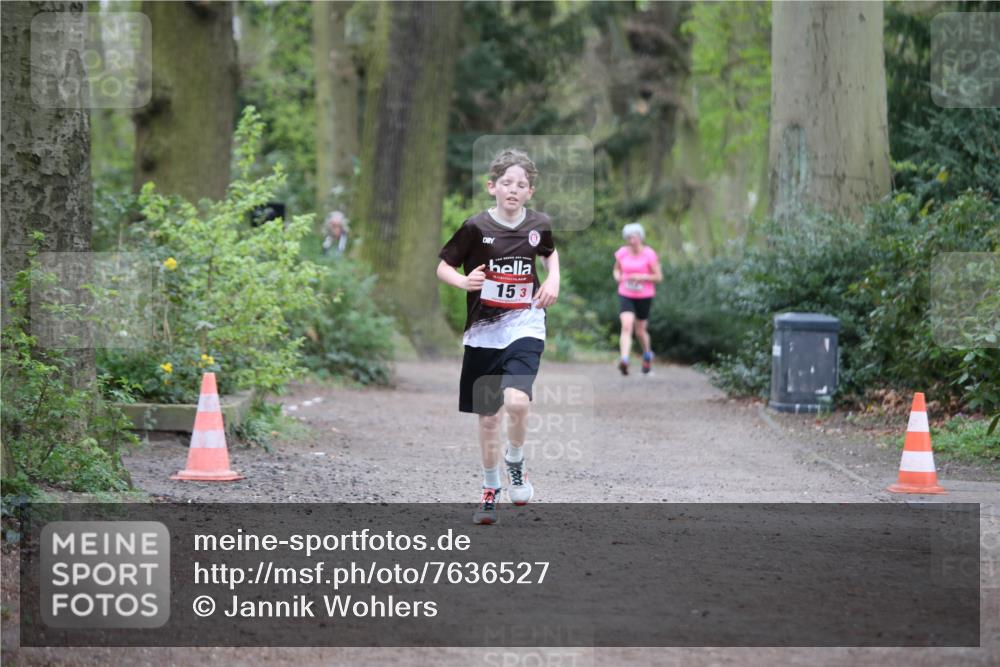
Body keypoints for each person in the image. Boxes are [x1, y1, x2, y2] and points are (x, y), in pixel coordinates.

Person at [437, 149, 560, 525]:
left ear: (529, 192)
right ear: (492, 187)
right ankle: (490, 488)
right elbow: (444, 266)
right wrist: (462, 281)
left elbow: (549, 254)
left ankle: (516, 462)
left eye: (521, 185)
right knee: (489, 419)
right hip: (483, 333)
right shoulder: (475, 227)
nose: (513, 189)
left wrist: (553, 279)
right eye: (507, 183)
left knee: (518, 402)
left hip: (525, 323)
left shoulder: (538, 224)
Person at [613, 222, 662, 375]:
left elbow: (658, 277)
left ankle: (647, 354)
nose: (631, 240)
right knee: (626, 325)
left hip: (644, 295)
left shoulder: (649, 254)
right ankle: (624, 359)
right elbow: (616, 269)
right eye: (628, 238)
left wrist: (642, 277)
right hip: (626, 293)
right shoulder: (622, 253)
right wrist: (618, 277)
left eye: (634, 237)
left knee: (640, 331)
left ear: (641, 237)